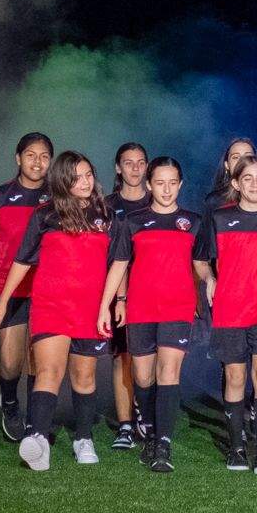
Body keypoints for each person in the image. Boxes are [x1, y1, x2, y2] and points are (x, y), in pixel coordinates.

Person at [0, 150, 113, 472]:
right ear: (63, 180)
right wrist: (4, 301)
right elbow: (22, 260)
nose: (85, 182)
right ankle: (39, 440)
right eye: (76, 177)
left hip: (90, 307)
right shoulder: (45, 215)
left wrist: (115, 304)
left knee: (84, 377)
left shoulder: (107, 214)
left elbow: (119, 264)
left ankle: (83, 438)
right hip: (51, 304)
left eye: (88, 174)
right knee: (49, 371)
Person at [193, 154, 257, 474]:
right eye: (246, 178)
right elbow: (200, 259)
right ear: (236, 184)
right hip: (230, 308)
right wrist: (210, 279)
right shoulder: (220, 217)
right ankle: (236, 447)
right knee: (236, 377)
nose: (254, 184)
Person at [98, 157, 199, 474]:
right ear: (149, 185)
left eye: (173, 183)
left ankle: (162, 443)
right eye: (160, 182)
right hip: (141, 309)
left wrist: (208, 285)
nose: (167, 189)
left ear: (180, 185)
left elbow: (201, 266)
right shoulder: (133, 221)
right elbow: (119, 264)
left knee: (169, 372)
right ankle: (152, 431)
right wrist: (106, 304)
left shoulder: (193, 222)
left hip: (178, 308)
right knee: (142, 377)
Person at [0, 132, 52, 443]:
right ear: (18, 158)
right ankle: (9, 403)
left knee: (39, 358)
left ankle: (36, 421)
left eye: (45, 156)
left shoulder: (56, 197)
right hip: (9, 289)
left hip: (47, 289)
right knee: (11, 362)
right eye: (31, 155)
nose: (38, 162)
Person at [104, 142, 151, 450]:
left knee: (150, 359)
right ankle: (124, 425)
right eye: (128, 162)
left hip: (154, 292)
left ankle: (145, 415)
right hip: (118, 294)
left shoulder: (160, 200)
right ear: (118, 168)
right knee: (122, 357)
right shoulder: (106, 206)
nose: (135, 167)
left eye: (140, 162)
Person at [204, 137, 257, 213]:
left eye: (248, 157)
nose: (242, 161)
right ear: (227, 165)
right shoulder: (214, 201)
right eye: (236, 157)